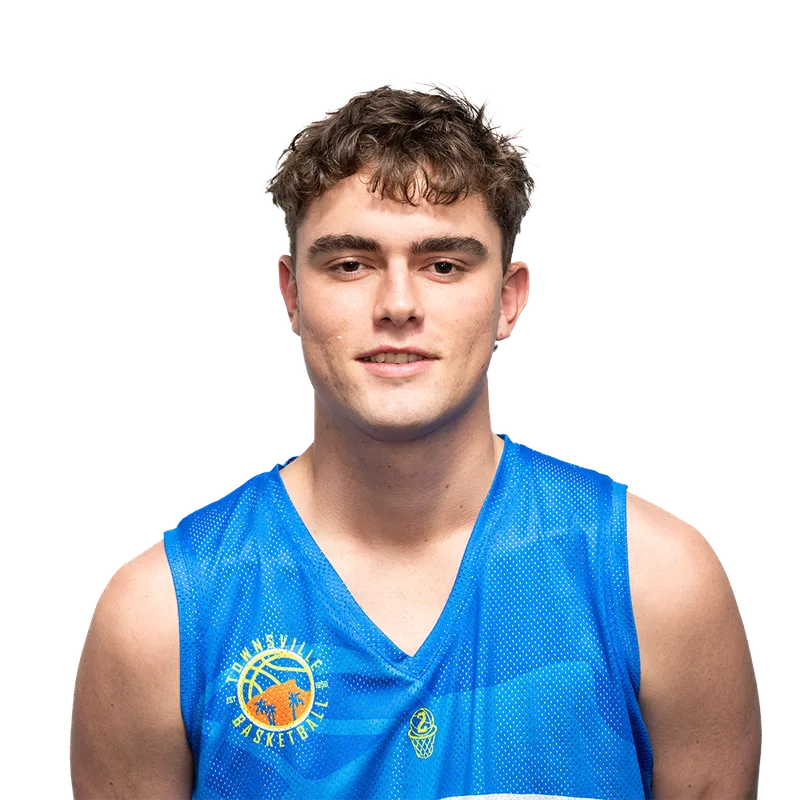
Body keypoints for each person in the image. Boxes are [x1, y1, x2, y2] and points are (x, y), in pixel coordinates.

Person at [69, 83, 762, 799]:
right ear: (291, 294)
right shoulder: (161, 617)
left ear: (509, 298)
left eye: (444, 265)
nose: (398, 305)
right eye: (350, 263)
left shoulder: (657, 584)